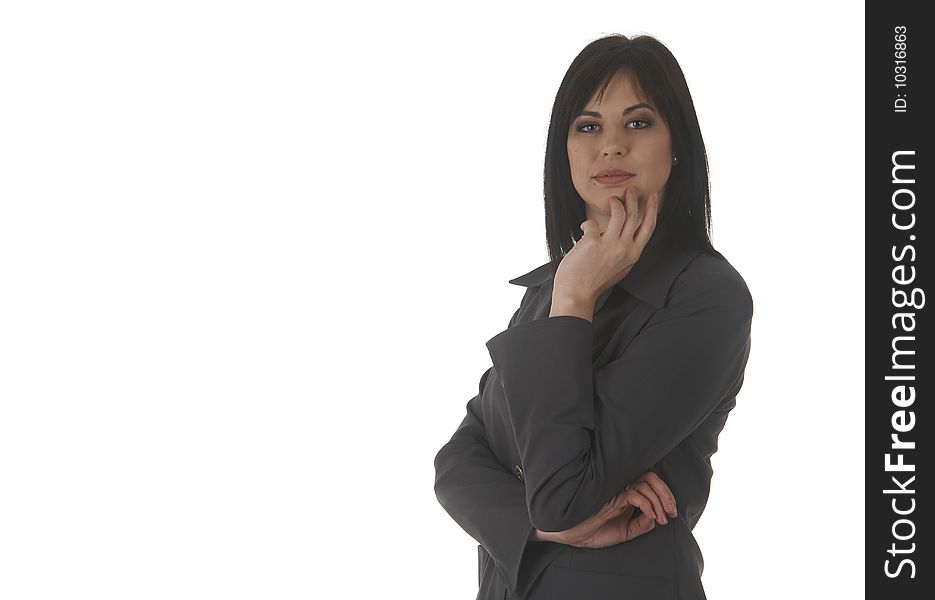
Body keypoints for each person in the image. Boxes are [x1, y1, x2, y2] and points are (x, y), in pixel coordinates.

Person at [433, 33, 753, 600]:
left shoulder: (707, 298)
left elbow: (563, 493)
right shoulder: (552, 289)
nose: (611, 146)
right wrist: (535, 525)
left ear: (675, 145)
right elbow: (457, 460)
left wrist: (575, 303)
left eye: (637, 123)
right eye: (587, 126)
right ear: (566, 151)